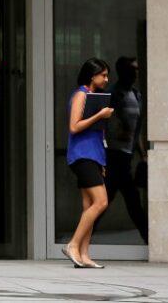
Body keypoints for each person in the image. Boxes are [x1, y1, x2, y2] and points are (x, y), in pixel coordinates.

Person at [63, 57, 115, 268]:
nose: (106, 78)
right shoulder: (81, 95)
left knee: (88, 205)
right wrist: (100, 115)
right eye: (103, 75)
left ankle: (84, 255)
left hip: (93, 156)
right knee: (101, 201)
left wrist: (101, 160)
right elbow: (74, 127)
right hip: (82, 155)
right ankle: (73, 245)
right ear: (92, 75)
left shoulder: (93, 96)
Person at [105, 56, 148, 243]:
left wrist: (143, 154)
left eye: (137, 69)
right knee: (130, 202)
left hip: (127, 156)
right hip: (114, 155)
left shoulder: (137, 95)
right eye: (133, 69)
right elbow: (105, 122)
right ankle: (149, 239)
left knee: (106, 201)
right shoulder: (113, 93)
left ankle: (81, 239)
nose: (137, 72)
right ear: (123, 71)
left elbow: (135, 128)